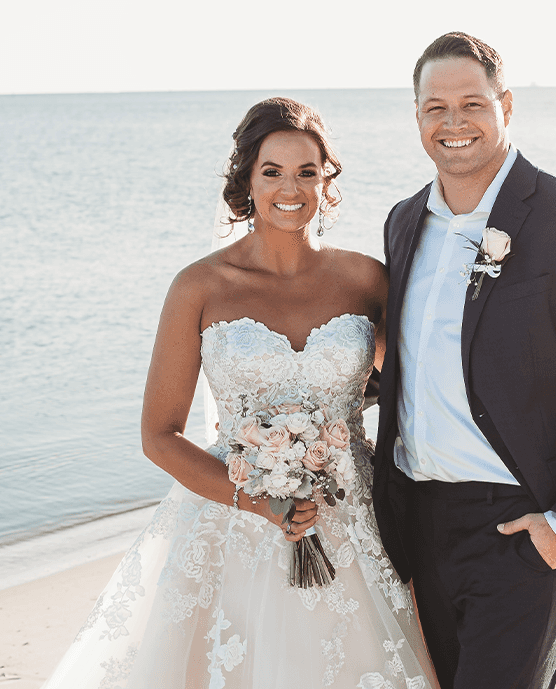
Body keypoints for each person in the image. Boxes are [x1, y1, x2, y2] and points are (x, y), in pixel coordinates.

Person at [41, 97, 437, 689]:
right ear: (246, 180)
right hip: (236, 523)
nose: (290, 188)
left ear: (327, 181)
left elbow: (420, 380)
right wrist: (260, 502)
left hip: (353, 516)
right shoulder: (199, 287)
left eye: (307, 172)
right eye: (272, 171)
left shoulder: (366, 278)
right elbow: (159, 436)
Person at [371, 33, 556, 689]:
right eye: (434, 107)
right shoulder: (402, 221)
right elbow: (418, 364)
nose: (453, 123)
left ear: (506, 105)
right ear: (415, 115)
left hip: (521, 529)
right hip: (417, 528)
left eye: (472, 103)